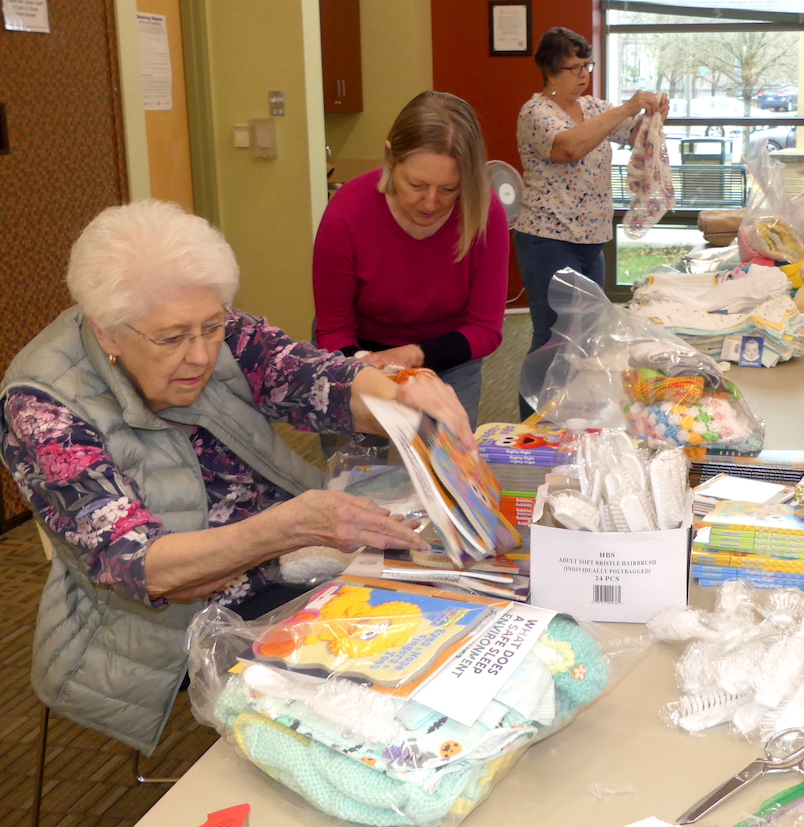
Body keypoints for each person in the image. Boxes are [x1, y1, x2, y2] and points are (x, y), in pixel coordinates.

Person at [0, 199, 477, 754]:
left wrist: (401, 393)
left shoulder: (197, 315)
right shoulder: (42, 406)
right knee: (385, 683)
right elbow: (145, 569)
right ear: (107, 333)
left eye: (212, 327)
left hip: (282, 556)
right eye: (173, 339)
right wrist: (289, 527)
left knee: (446, 609)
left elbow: (315, 379)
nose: (202, 354)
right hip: (166, 620)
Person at [312, 91, 510, 430]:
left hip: (449, 359)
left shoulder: (485, 212)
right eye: (416, 184)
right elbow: (334, 329)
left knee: (446, 469)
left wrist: (410, 356)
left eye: (449, 189)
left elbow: (485, 329)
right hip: (357, 355)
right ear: (391, 158)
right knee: (359, 472)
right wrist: (369, 368)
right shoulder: (348, 213)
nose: (431, 203)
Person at [513, 26, 668, 418]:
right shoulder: (535, 112)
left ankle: (569, 416)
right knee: (552, 336)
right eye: (573, 67)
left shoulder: (594, 108)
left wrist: (653, 117)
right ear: (549, 70)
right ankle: (533, 423)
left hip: (591, 239)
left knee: (585, 338)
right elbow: (569, 146)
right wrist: (629, 107)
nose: (583, 74)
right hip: (548, 237)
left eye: (587, 65)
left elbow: (634, 136)